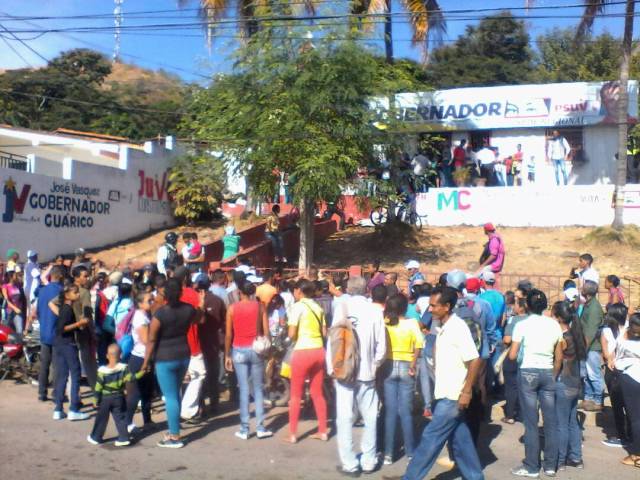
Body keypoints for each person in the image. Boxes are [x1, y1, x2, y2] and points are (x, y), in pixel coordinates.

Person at [389, 286, 483, 480]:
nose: (430, 310)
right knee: (461, 442)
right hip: (445, 394)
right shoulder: (444, 326)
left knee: (430, 440)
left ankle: (410, 478)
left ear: (447, 306)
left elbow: (474, 359)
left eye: (434, 306)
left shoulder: (457, 327)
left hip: (452, 396)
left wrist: (466, 392)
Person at [331, 276, 386, 476]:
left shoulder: (341, 307)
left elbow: (333, 341)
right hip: (367, 373)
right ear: (367, 290)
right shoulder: (374, 311)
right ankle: (369, 461)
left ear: (347, 288)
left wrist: (333, 367)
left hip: (344, 372)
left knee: (344, 417)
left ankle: (350, 464)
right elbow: (382, 347)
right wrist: (374, 365)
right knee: (370, 416)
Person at [141, 278, 203, 448]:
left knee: (170, 397)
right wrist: (201, 304)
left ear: (165, 293)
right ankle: (173, 431)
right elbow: (199, 319)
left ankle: (174, 436)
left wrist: (146, 362)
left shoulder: (160, 314)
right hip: (183, 354)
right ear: (181, 292)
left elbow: (152, 340)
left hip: (164, 357)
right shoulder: (188, 310)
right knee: (175, 394)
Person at [509, 289, 564, 478]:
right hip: (548, 372)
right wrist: (554, 374)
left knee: (531, 422)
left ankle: (532, 466)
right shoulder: (554, 325)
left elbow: (513, 354)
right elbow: (559, 356)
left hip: (528, 373)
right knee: (550, 421)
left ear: (527, 306)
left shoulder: (521, 325)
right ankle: (550, 465)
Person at [224, 281, 273, 440]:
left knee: (244, 389)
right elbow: (266, 331)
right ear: (252, 292)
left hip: (238, 349)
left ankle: (244, 429)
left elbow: (228, 335)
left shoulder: (232, 308)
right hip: (256, 349)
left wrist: (227, 355)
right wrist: (268, 349)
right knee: (258, 389)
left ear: (239, 292)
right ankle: (260, 427)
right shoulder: (260, 307)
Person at [285, 279, 328, 444]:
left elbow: (291, 334)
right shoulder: (318, 308)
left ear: (298, 291)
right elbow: (324, 333)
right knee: (317, 393)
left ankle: (293, 434)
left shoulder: (297, 307)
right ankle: (323, 431)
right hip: (319, 351)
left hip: (303, 351)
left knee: (296, 395)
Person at [382, 294, 423, 466]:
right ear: (405, 308)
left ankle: (388, 454)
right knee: (406, 411)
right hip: (407, 366)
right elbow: (419, 345)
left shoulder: (385, 323)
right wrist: (413, 364)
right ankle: (410, 452)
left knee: (390, 412)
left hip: (388, 366)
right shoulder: (412, 323)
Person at [88, 343, 144, 447]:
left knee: (101, 418)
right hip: (119, 397)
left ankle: (96, 437)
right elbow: (131, 378)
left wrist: (96, 400)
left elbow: (98, 387)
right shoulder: (124, 368)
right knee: (121, 418)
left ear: (107, 356)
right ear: (121, 355)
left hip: (105, 399)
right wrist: (142, 372)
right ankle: (124, 438)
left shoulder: (102, 372)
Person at [552, 301, 586, 470]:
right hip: (575, 383)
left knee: (562, 424)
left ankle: (560, 460)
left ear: (558, 317)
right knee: (573, 422)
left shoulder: (562, 338)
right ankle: (576, 458)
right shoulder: (576, 334)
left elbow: (557, 362)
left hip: (563, 384)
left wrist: (551, 378)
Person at [50, 282, 91, 421]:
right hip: (67, 344)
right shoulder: (67, 309)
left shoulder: (64, 307)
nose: (78, 295)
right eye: (75, 292)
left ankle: (58, 408)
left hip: (59, 344)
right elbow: (62, 328)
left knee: (62, 376)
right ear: (67, 294)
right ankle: (73, 408)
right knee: (75, 375)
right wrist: (79, 324)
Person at [601, 303, 632, 448]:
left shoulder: (627, 328)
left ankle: (624, 435)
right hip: (621, 370)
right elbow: (606, 352)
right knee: (623, 404)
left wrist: (611, 359)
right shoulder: (625, 329)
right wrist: (611, 359)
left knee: (620, 405)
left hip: (616, 370)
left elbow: (606, 352)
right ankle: (626, 435)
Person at [33, 265, 64, 402]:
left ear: (51, 276)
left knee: (45, 364)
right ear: (61, 276)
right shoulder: (62, 291)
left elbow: (38, 312)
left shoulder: (43, 291)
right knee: (57, 365)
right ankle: (56, 393)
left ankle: (42, 393)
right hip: (57, 333)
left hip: (45, 331)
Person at [125, 291, 155, 431]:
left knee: (147, 391)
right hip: (139, 358)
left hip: (145, 357)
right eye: (149, 301)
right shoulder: (140, 318)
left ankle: (147, 421)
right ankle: (128, 423)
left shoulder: (145, 315)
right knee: (135, 393)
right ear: (140, 303)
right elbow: (146, 340)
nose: (152, 302)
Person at [616, 313, 640, 468]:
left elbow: (617, 360)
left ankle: (637, 455)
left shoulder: (625, 342)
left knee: (635, 418)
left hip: (630, 379)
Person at [501, 296, 528, 424]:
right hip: (528, 357)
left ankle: (510, 415)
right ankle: (523, 415)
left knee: (511, 386)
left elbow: (507, 339)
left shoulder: (514, 320)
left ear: (521, 307)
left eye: (516, 304)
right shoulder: (532, 320)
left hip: (514, 354)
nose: (514, 307)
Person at [580, 280, 605, 412]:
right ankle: (588, 398)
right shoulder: (588, 304)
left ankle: (598, 400)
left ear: (587, 291)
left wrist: (584, 349)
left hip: (591, 347)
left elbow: (590, 332)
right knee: (587, 375)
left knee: (594, 374)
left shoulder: (594, 308)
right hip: (587, 346)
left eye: (582, 287)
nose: (580, 288)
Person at [72, 266, 97, 391]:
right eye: (85, 276)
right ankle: (96, 392)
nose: (87, 278)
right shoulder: (84, 292)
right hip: (83, 330)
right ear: (77, 278)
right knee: (89, 363)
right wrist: (93, 333)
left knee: (73, 363)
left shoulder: (67, 290)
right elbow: (87, 315)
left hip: (70, 330)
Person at [2, 267, 26, 335]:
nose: (16, 276)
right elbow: (7, 300)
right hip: (9, 312)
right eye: (15, 275)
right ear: (11, 277)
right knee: (7, 331)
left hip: (18, 311)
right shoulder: (5, 286)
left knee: (19, 330)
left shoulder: (17, 285)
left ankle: (19, 343)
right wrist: (15, 308)